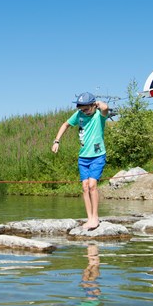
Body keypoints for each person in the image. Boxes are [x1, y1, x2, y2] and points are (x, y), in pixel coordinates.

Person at [52, 92, 112, 231]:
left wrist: (97, 103)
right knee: (85, 187)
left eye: (86, 109)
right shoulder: (79, 115)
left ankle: (95, 218)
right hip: (83, 157)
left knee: (92, 185)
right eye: (81, 109)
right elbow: (65, 124)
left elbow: (105, 108)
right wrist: (57, 141)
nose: (84, 112)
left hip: (97, 155)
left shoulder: (99, 115)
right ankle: (89, 218)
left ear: (93, 105)